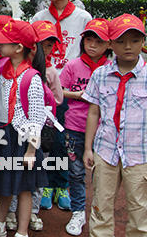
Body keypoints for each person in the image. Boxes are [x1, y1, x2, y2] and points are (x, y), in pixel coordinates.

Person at [31, 0, 91, 212]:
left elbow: (87, 52)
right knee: (45, 139)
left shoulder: (82, 18)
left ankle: (62, 185)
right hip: (44, 88)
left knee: (66, 141)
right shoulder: (39, 18)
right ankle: (46, 184)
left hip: (69, 89)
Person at [83, 14, 147, 237]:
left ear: (143, 41)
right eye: (121, 41)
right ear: (110, 43)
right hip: (106, 151)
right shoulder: (100, 75)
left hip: (140, 154)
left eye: (135, 40)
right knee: (101, 208)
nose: (128, 47)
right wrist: (88, 148)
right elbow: (93, 112)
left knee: (141, 213)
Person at [0, 19, 48, 237]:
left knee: (24, 187)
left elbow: (37, 117)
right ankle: (0, 222)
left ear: (19, 48)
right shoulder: (4, 71)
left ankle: (22, 230)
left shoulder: (31, 77)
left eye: (5, 42)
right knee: (4, 181)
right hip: (4, 135)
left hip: (23, 139)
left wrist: (31, 151)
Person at [3, 20, 65, 232]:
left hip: (36, 135)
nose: (44, 49)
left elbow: (56, 101)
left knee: (32, 180)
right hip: (16, 133)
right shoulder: (8, 70)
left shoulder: (43, 74)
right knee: (12, 176)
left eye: (49, 45)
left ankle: (30, 216)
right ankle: (11, 213)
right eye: (41, 43)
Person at [59, 18, 112, 236]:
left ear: (109, 45)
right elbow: (59, 92)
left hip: (104, 130)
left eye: (98, 41)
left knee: (102, 176)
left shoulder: (111, 68)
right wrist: (79, 95)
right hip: (75, 126)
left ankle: (99, 214)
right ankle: (78, 211)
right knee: (77, 172)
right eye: (88, 40)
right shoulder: (72, 65)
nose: (92, 45)